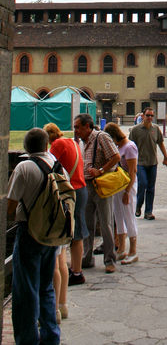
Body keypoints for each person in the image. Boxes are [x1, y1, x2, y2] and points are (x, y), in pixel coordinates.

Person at [7, 127, 65, 345]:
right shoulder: (57, 164)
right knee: (46, 286)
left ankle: (27, 339)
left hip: (29, 232)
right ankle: (51, 336)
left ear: (25, 147)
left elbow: (11, 205)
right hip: (52, 233)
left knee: (25, 290)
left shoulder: (24, 167)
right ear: (47, 145)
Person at [43, 122, 88, 295]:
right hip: (81, 188)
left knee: (70, 231)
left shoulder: (58, 144)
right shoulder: (72, 142)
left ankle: (75, 271)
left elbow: (48, 165)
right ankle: (76, 269)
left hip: (72, 190)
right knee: (78, 230)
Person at [74, 114, 120, 273]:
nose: (76, 130)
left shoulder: (101, 137)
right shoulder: (82, 141)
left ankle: (109, 259)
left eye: (78, 127)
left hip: (100, 185)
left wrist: (100, 170)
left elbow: (116, 157)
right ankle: (87, 257)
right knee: (87, 223)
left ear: (88, 126)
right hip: (86, 186)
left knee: (106, 223)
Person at [104, 123, 139, 264]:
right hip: (118, 186)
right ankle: (121, 249)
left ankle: (133, 250)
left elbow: (133, 171)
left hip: (127, 186)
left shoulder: (130, 147)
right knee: (118, 216)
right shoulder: (119, 147)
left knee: (129, 217)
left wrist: (127, 191)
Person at [129, 105, 167, 220]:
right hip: (140, 163)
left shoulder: (155, 129)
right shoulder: (135, 130)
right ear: (143, 116)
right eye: (148, 115)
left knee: (151, 188)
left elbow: (160, 143)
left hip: (152, 163)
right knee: (142, 184)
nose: (150, 117)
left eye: (152, 116)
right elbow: (130, 147)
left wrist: (166, 157)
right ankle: (138, 205)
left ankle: (148, 212)